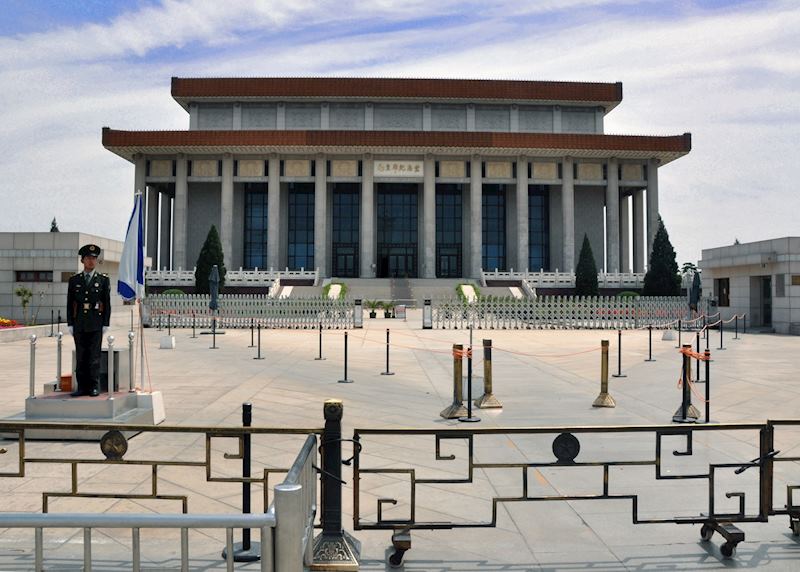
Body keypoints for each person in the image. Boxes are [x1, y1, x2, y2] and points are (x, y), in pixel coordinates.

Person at [67, 244, 111, 397]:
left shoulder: (103, 280)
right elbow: (69, 303)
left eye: (94, 258)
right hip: (79, 323)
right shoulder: (74, 280)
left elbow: (107, 303)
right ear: (82, 260)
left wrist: (106, 323)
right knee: (81, 357)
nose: (91, 261)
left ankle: (94, 386)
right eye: (88, 258)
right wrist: (70, 323)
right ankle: (81, 387)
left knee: (94, 357)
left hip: (95, 323)